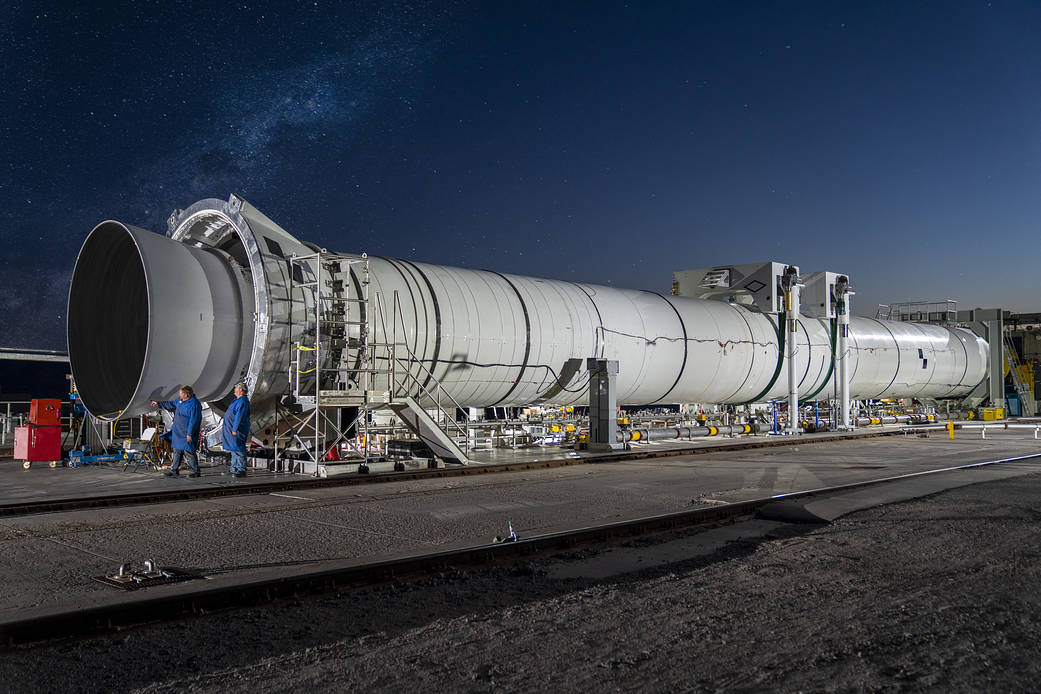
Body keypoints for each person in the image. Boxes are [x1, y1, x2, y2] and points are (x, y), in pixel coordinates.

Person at [151, 386, 202, 478]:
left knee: (189, 451)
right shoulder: (180, 401)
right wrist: (159, 403)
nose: (179, 395)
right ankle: (174, 470)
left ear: (186, 394)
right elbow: (171, 404)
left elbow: (194, 420)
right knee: (176, 451)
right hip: (178, 431)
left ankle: (195, 471)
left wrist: (190, 433)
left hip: (187, 432)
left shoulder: (194, 404)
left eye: (181, 394)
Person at [222, 382, 251, 478]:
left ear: (241, 390)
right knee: (233, 449)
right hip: (230, 428)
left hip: (237, 429)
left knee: (238, 448)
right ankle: (234, 468)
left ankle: (241, 469)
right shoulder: (236, 400)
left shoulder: (242, 401)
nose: (234, 390)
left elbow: (239, 416)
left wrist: (235, 428)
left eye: (236, 389)